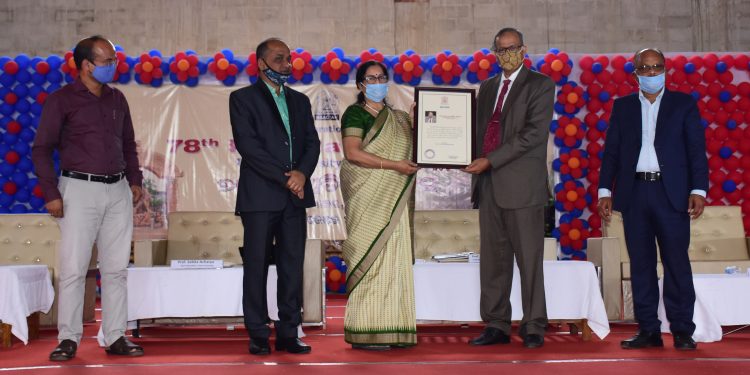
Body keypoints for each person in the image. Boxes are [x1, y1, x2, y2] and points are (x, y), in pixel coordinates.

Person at [32, 35, 144, 361]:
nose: (114, 66)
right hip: (78, 190)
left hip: (118, 190)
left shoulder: (117, 99)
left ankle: (115, 336)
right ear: (86, 65)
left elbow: (128, 145)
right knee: (73, 268)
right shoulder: (61, 100)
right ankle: (68, 339)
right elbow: (41, 150)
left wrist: (134, 181)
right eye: (107, 61)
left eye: (114, 60)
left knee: (116, 269)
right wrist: (51, 194)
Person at [598, 48, 707, 351]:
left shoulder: (682, 105)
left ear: (665, 70)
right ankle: (648, 330)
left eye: (656, 67)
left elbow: (696, 150)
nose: (651, 73)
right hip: (634, 194)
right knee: (641, 264)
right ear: (635, 73)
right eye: (644, 69)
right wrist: (605, 190)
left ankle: (683, 329)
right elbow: (612, 152)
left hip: (671, 194)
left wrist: (699, 190)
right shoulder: (622, 107)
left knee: (676, 263)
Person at [464, 27, 555, 349]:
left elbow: (532, 134)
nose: (507, 54)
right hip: (488, 187)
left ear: (524, 49)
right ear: (494, 52)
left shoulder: (541, 85)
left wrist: (490, 160)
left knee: (529, 260)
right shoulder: (487, 88)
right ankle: (497, 324)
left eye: (512, 48)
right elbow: (475, 131)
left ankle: (533, 325)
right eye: (501, 49)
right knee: (493, 261)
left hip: (522, 187)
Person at [228, 38, 320, 355]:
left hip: (295, 197)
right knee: (255, 265)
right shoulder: (241, 98)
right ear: (261, 64)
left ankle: (287, 332)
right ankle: (256, 332)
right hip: (260, 197)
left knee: (291, 266)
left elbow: (313, 143)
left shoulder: (300, 101)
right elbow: (249, 147)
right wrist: (287, 178)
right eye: (279, 59)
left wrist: (302, 174)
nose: (287, 64)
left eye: (289, 59)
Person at [339, 60, 419, 350]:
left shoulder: (397, 118)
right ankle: (366, 329)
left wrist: (419, 118)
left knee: (394, 256)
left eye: (381, 77)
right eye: (370, 79)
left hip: (392, 197)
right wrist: (392, 165)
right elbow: (353, 153)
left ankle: (393, 327)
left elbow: (417, 146)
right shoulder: (355, 114)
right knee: (368, 256)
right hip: (367, 195)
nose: (377, 83)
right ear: (360, 85)